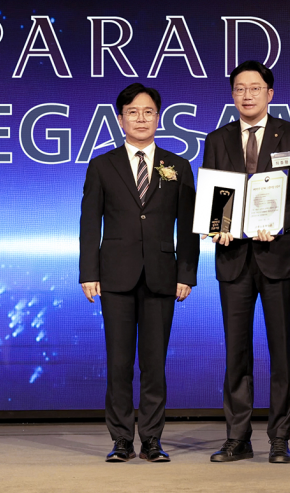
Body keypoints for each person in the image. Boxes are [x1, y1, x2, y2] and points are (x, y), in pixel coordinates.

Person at [202, 60, 290, 463]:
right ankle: (237, 438)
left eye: (255, 88)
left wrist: (279, 222)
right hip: (233, 258)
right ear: (232, 95)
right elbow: (216, 194)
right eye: (239, 88)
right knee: (236, 353)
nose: (247, 95)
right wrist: (217, 226)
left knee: (281, 352)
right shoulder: (217, 139)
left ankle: (279, 438)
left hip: (279, 259)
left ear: (270, 94)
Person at [79, 82, 199, 462]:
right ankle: (120, 439)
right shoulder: (102, 165)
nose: (141, 119)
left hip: (162, 275)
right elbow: (89, 223)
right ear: (121, 119)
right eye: (133, 112)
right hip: (115, 275)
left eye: (148, 112)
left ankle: (151, 439)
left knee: (154, 364)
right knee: (118, 363)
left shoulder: (178, 166)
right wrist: (88, 272)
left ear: (158, 117)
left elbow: (189, 226)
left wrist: (187, 273)